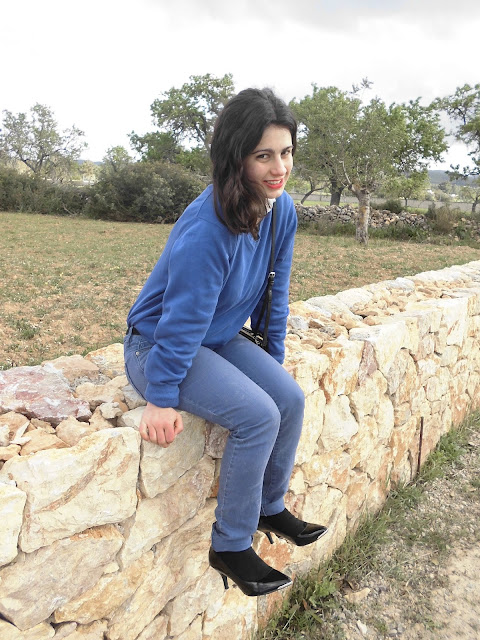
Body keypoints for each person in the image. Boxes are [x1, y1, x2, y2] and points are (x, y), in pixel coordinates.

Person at [124, 87, 327, 598]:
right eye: (264, 156)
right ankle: (231, 545)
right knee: (257, 416)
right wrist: (161, 397)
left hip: (218, 338)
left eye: (286, 153)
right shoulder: (208, 225)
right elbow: (181, 318)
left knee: (288, 398)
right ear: (236, 157)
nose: (279, 168)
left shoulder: (281, 209)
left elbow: (276, 292)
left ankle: (268, 508)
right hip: (159, 345)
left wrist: (270, 364)